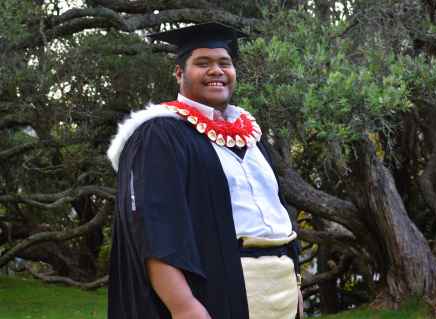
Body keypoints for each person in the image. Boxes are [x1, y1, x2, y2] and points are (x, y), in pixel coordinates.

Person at [106, 22, 303, 319]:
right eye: (202, 63)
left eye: (225, 63)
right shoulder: (161, 133)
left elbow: (275, 213)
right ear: (179, 73)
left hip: (280, 290)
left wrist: (294, 285)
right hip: (219, 290)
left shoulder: (250, 136)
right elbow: (153, 229)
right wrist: (183, 306)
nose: (216, 70)